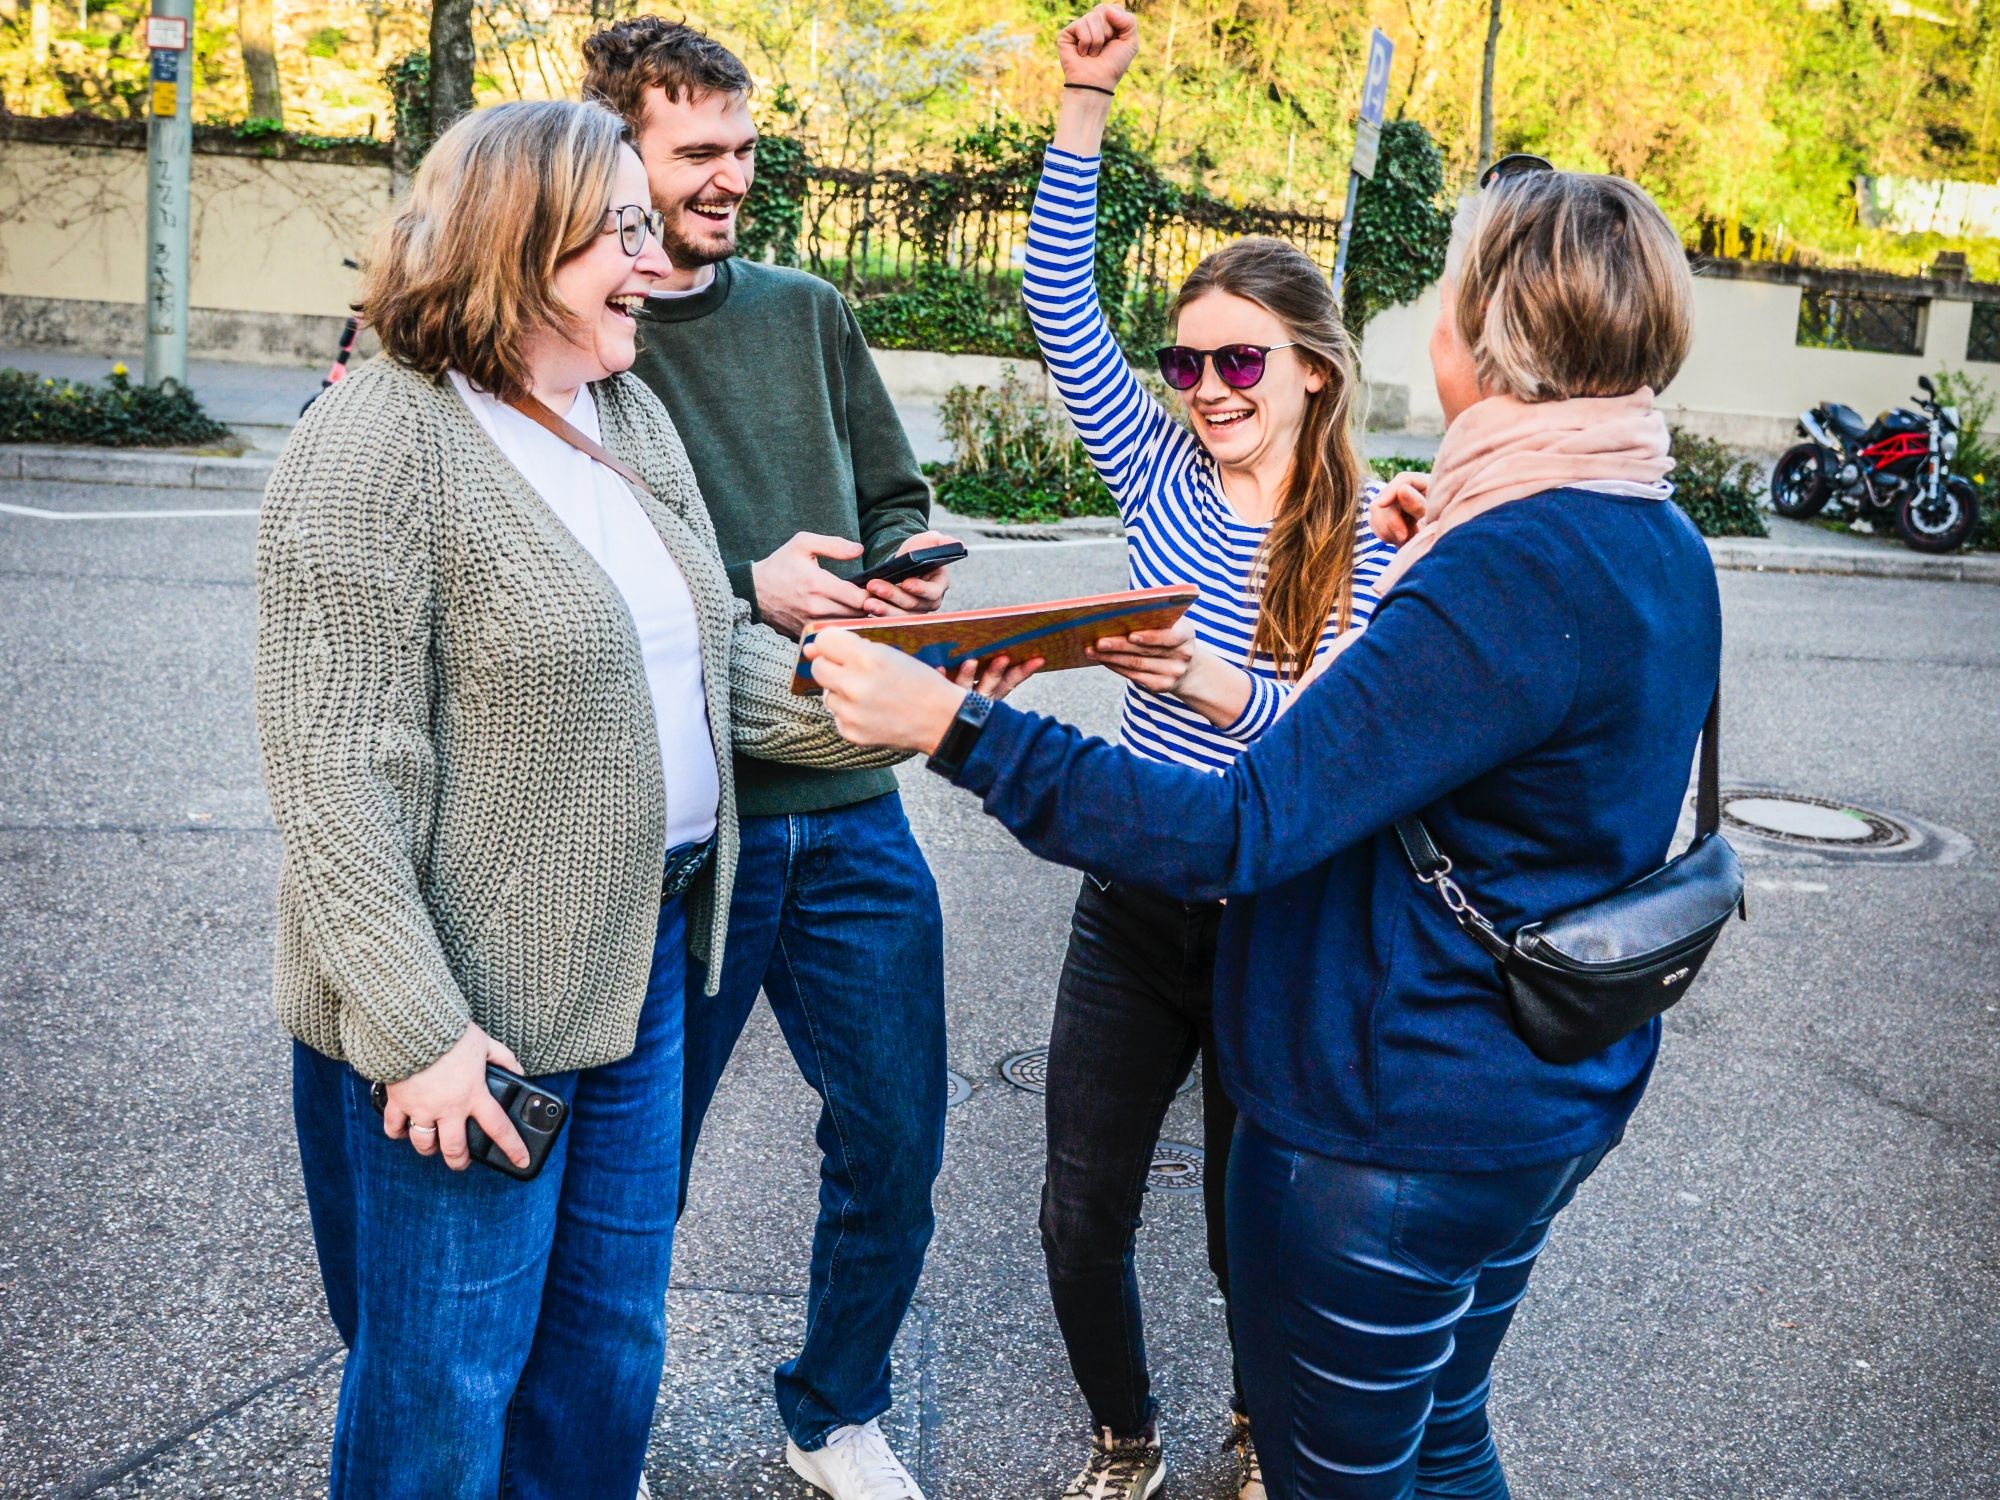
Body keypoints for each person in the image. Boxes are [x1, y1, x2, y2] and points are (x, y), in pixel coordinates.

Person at [805, 159, 1718, 1500]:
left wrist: (954, 727)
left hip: (1402, 1123)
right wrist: (1429, 567)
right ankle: (1136, 1438)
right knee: (1444, 1435)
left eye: (1454, 291)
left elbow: (1244, 825)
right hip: (1541, 1096)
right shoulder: (1652, 533)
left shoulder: (1501, 565)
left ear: (1490, 331)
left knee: (1339, 1474)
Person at [255, 99, 908, 1500]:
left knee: (607, 1349)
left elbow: (691, 651)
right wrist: (420, 1035)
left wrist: (891, 700)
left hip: (641, 966)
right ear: (513, 243)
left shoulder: (618, 409)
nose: (655, 257)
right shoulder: (379, 438)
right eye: (618, 231)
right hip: (464, 1010)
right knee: (442, 1380)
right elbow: (332, 782)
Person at [579, 21, 959, 1500]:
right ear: (617, 157)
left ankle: (836, 1411)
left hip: (852, 803)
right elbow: (580, 573)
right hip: (692, 820)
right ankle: (587, 1427)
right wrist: (751, 583)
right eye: (699, 154)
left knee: (897, 1139)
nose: (735, 177)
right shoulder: (580, 339)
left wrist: (901, 565)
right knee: (633, 1174)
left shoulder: (807, 311)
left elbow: (895, 493)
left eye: (746, 148)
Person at [1016, 8, 1391, 1498]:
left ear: (1311, 368)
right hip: (1139, 893)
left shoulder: (1375, 535)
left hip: (1284, 911)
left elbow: (1361, 752)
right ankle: (1127, 1436)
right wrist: (1086, 96)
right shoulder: (1160, 469)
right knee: (1079, 1210)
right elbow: (1057, 301)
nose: (1208, 387)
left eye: (1240, 360)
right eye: (1186, 360)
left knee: (1259, 1229)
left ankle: (1257, 1425)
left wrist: (1225, 692)